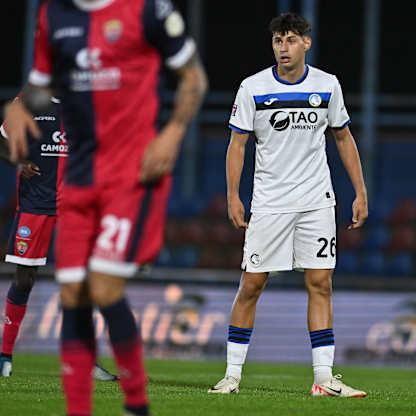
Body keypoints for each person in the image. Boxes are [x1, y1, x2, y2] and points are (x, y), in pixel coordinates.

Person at [4, 0, 207, 414]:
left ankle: (137, 402)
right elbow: (41, 86)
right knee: (73, 294)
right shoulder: (53, 15)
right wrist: (19, 106)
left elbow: (194, 78)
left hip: (126, 179)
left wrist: (172, 134)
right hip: (78, 182)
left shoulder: (148, 10)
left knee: (104, 289)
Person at [208, 12, 368, 397]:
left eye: (291, 39)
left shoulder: (327, 86)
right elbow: (238, 144)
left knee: (321, 283)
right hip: (270, 204)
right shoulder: (253, 88)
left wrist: (360, 191)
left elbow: (343, 138)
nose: (284, 47)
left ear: (306, 43)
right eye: (278, 40)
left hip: (316, 201)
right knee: (252, 285)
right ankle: (231, 376)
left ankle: (324, 379)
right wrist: (233, 194)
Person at [0, 97, 117, 381]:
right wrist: (18, 160)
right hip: (34, 206)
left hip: (73, 208)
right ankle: (4, 355)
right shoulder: (29, 103)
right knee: (24, 279)